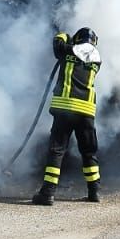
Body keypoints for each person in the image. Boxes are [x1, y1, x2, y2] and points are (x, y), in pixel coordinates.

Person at [32, 27, 102, 206]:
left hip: (65, 109)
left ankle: (48, 193)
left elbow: (58, 42)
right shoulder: (97, 59)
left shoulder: (68, 50)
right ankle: (95, 193)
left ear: (77, 39)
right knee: (88, 152)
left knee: (57, 151)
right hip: (86, 112)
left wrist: (66, 35)